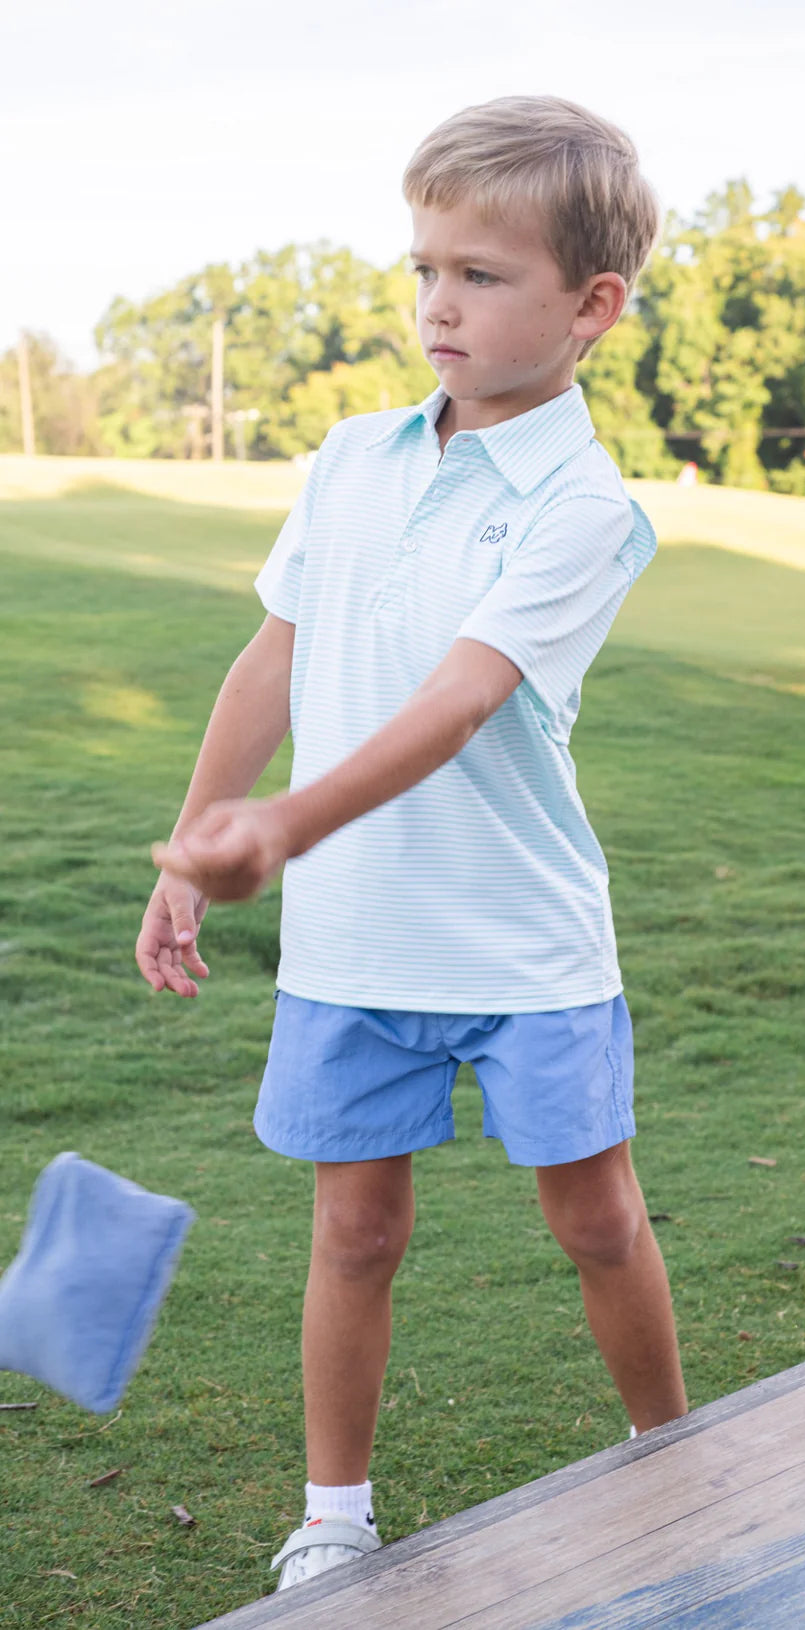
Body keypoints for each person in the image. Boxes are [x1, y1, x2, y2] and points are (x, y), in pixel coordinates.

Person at [136, 94, 688, 1593]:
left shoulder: (587, 506)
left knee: (594, 1217)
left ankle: (684, 1464)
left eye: (483, 275)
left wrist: (282, 826)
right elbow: (274, 658)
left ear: (592, 309)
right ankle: (334, 1515)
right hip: (356, 938)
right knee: (355, 1231)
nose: (440, 302)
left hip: (522, 939)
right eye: (425, 267)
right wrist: (192, 846)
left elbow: (455, 705)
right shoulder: (349, 457)